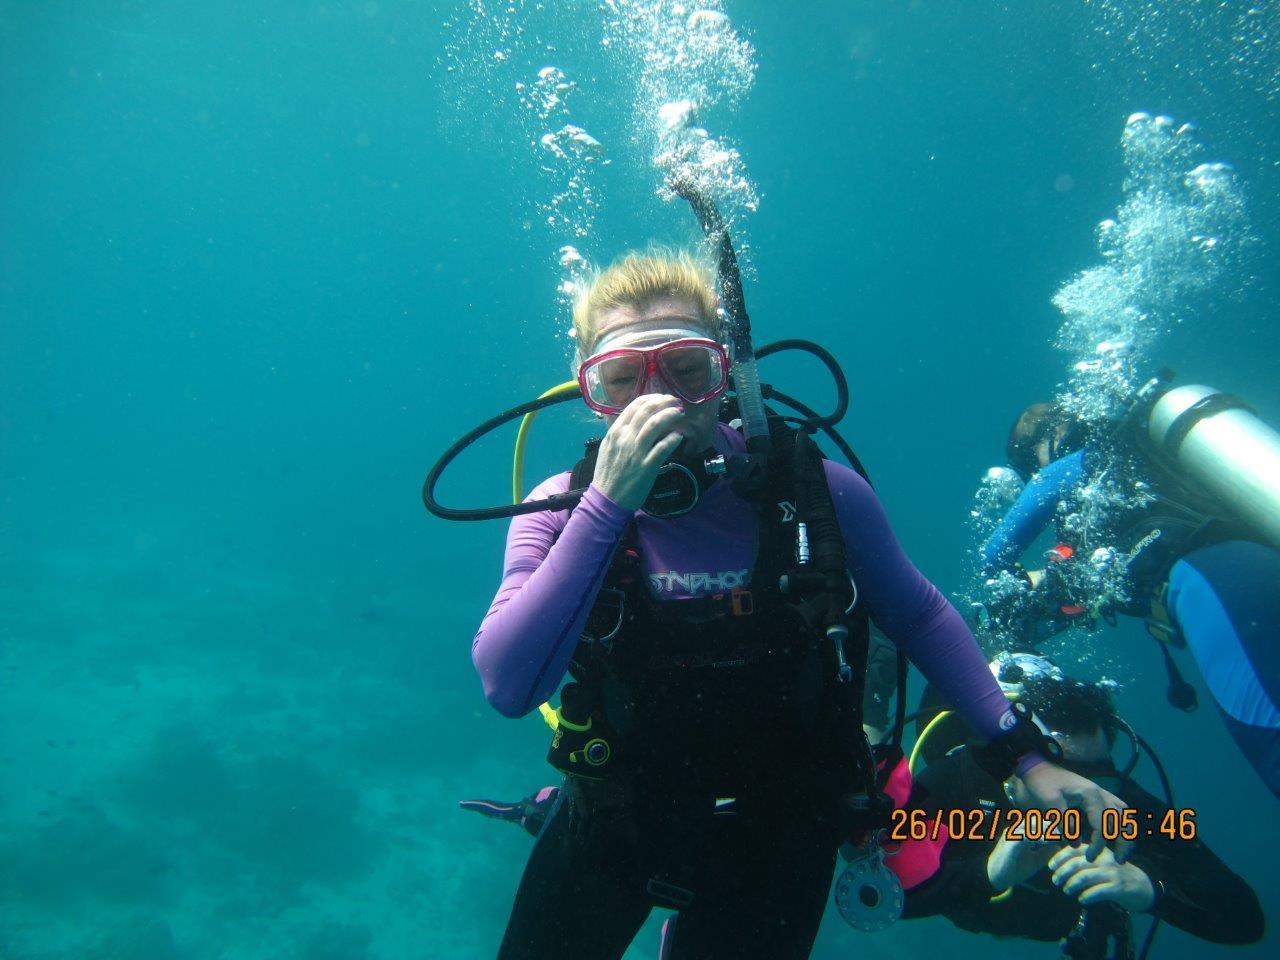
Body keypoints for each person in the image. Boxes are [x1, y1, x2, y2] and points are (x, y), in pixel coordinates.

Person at [471, 247, 1132, 960]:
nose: (657, 401)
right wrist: (605, 506)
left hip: (779, 831)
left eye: (688, 369)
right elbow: (509, 686)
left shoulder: (818, 495)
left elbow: (918, 615)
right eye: (622, 378)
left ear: (729, 371)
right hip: (613, 813)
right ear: (589, 388)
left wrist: (1028, 759)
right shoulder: (560, 507)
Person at [980, 399, 1280, 800]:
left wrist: (1007, 592)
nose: (1032, 475)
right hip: (1252, 565)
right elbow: (1097, 585)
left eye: (1029, 462)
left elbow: (993, 556)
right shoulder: (1138, 467)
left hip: (1212, 584)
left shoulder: (1081, 461)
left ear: (1051, 436)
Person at [900, 657, 1265, 951]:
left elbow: (1246, 919)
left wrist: (1152, 891)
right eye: (1069, 775)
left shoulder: (1112, 804)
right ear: (1022, 763)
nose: (1086, 793)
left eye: (1099, 774)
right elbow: (883, 896)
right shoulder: (959, 781)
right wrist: (987, 873)